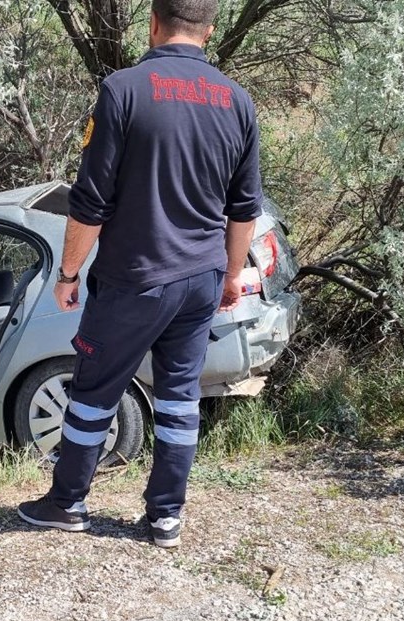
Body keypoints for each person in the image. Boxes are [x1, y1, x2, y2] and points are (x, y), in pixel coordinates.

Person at [17, 0, 263, 549]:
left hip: (135, 278)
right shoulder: (238, 102)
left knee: (94, 391)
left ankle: (67, 503)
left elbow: (91, 200)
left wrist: (69, 271)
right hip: (200, 277)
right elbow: (244, 208)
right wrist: (227, 277)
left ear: (153, 23)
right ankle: (165, 518)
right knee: (179, 397)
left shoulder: (124, 89)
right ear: (210, 30)